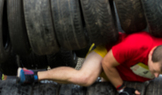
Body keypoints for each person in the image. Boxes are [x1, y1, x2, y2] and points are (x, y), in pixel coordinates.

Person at [17, 31, 162, 95]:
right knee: (85, 78)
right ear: (150, 54)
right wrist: (122, 88)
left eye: (160, 73)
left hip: (127, 72)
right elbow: (107, 64)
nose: (156, 76)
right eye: (155, 71)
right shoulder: (137, 44)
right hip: (108, 54)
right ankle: (34, 75)